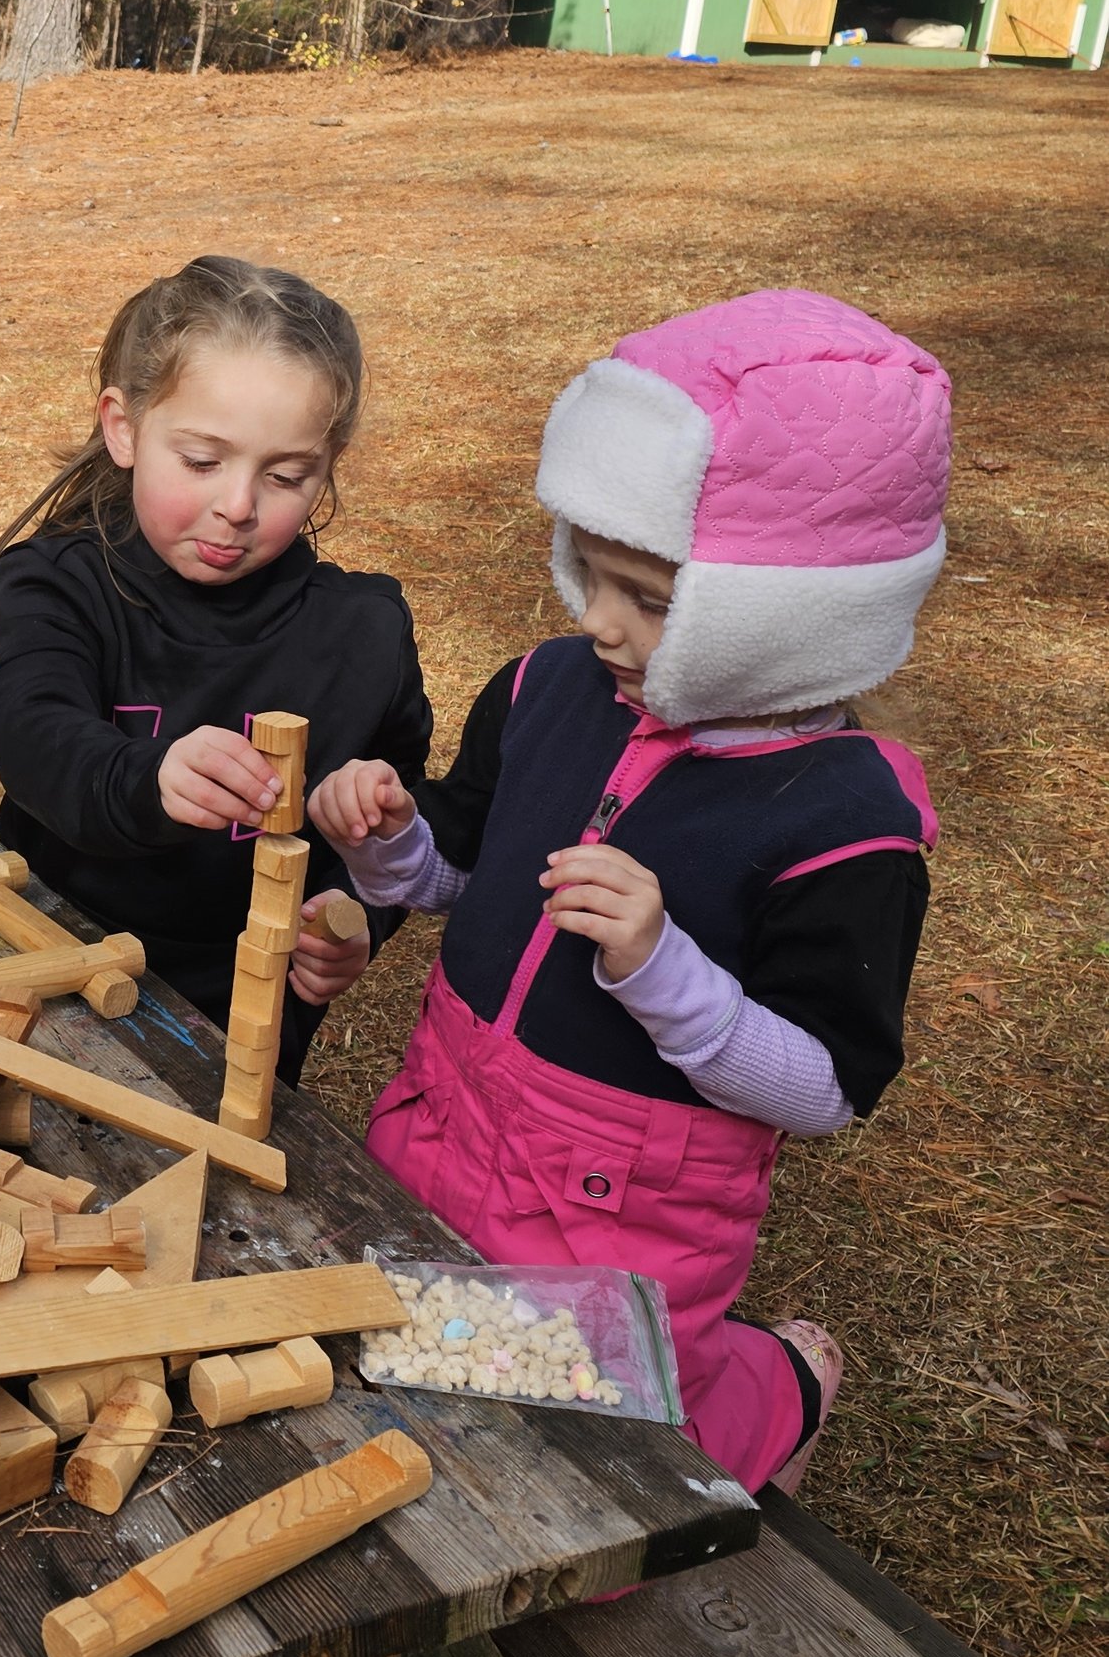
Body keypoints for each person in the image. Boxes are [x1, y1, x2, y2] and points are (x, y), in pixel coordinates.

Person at [310, 289, 946, 1495]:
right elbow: (460, 859)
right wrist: (392, 838)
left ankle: (767, 1397)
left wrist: (666, 976)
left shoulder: (845, 824)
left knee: (582, 1491)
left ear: (784, 621)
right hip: (445, 1117)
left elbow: (824, 1087)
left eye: (649, 601)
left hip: (623, 1206)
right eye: (590, 573)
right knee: (396, 1378)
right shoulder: (547, 689)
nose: (595, 623)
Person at [0, 256, 432, 1069]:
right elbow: (23, 719)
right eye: (202, 461)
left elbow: (396, 810)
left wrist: (357, 911)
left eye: (287, 475)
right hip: (48, 966)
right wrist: (145, 781)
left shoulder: (363, 630)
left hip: (244, 1010)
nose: (240, 505)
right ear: (123, 427)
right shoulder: (60, 582)